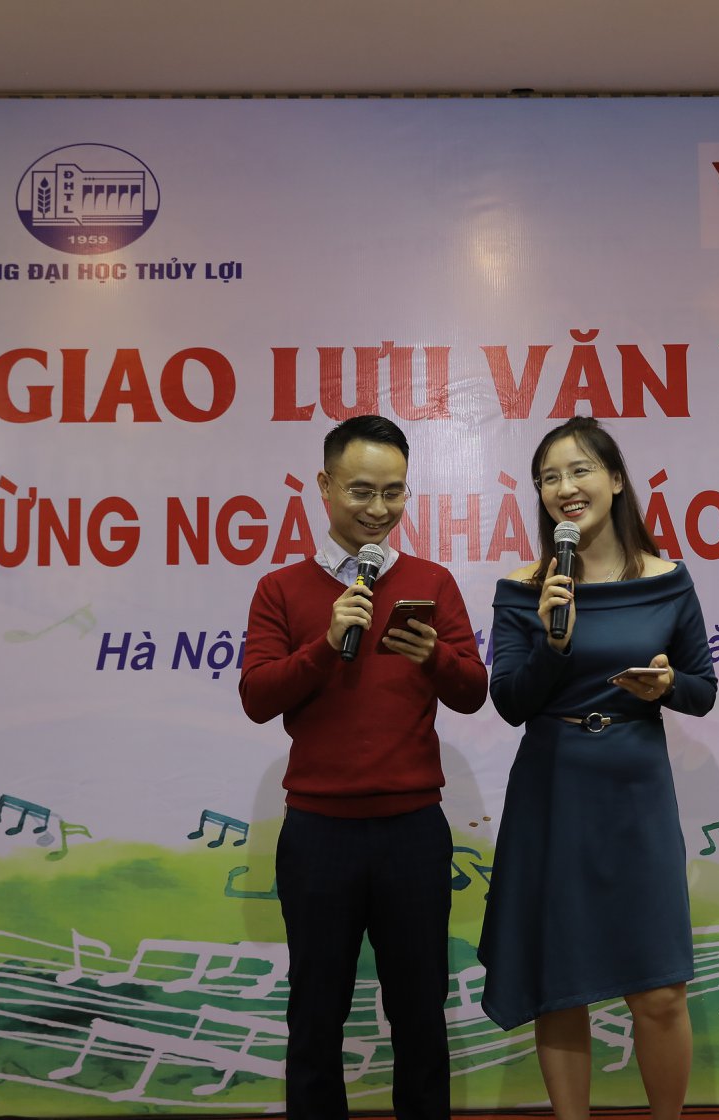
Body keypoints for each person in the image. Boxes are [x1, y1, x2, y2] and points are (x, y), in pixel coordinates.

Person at [238, 414, 488, 1120]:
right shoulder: (281, 588)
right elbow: (257, 697)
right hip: (319, 835)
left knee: (421, 1014)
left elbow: (473, 692)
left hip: (413, 831)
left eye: (394, 492)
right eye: (361, 491)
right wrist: (325, 645)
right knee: (316, 1015)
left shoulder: (432, 583)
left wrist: (433, 657)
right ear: (324, 487)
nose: (379, 509)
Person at [479, 416, 718, 1120]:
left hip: (636, 789)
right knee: (561, 985)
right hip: (553, 789)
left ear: (615, 480)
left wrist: (666, 685)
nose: (565, 488)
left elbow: (703, 690)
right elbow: (509, 703)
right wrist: (552, 644)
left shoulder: (667, 579)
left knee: (660, 991)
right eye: (549, 478)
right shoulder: (524, 587)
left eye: (580, 470)